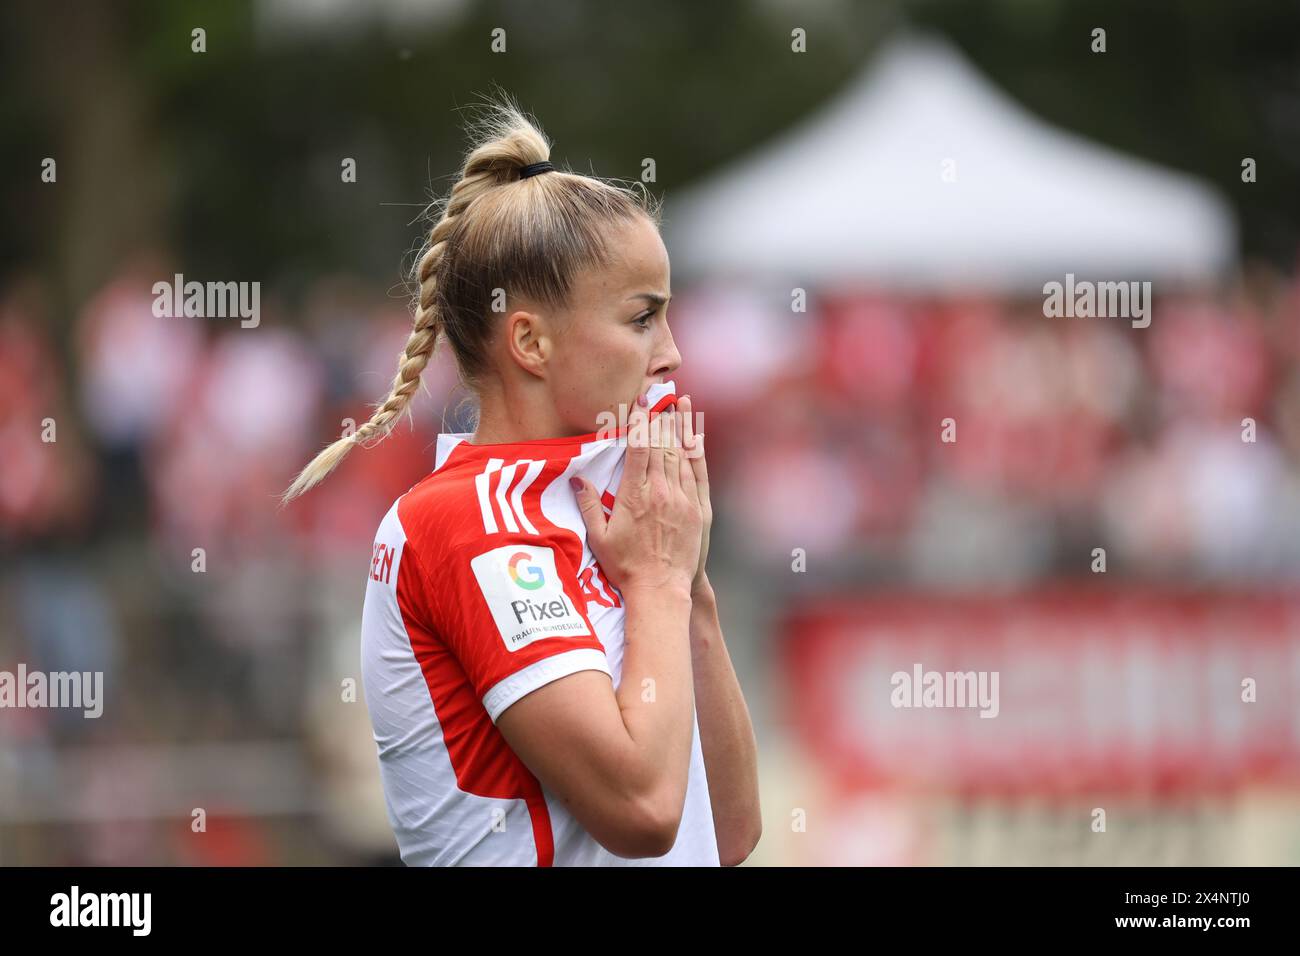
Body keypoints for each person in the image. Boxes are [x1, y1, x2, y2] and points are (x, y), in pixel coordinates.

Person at [281, 95, 760, 866]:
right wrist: (660, 585)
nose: (672, 354)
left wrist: (692, 594)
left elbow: (731, 834)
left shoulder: (601, 512)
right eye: (642, 319)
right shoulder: (463, 523)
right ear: (530, 341)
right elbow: (643, 810)